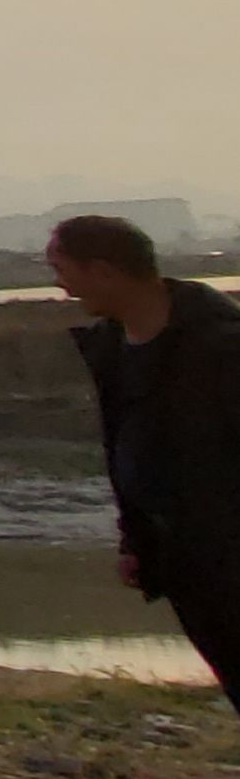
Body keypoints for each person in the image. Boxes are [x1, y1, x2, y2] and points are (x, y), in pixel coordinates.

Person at [48, 214, 240, 714]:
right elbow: (125, 445)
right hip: (184, 558)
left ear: (105, 271)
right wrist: (136, 540)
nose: (60, 285)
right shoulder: (111, 347)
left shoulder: (221, 342)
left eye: (62, 269)